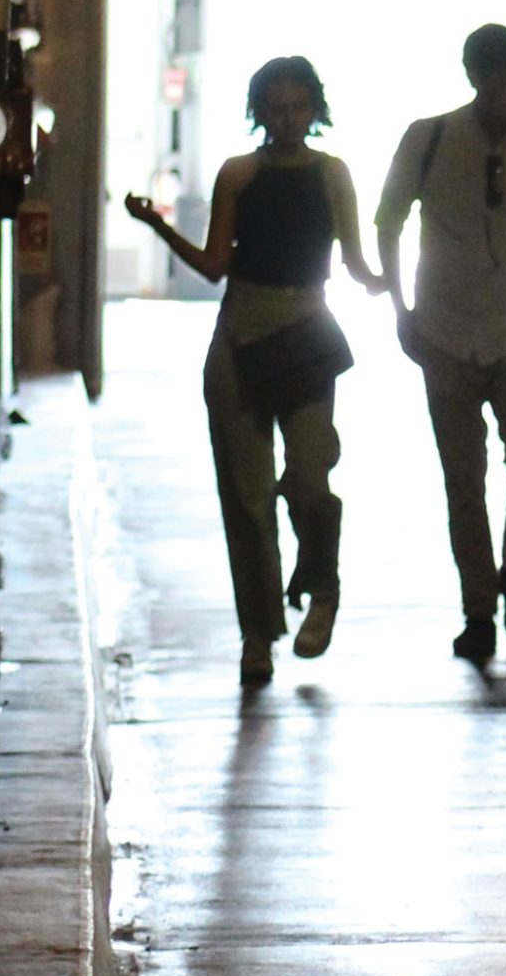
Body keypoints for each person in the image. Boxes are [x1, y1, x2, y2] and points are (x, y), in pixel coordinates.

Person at [125, 55, 383, 689]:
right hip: (241, 331)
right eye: (277, 106)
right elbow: (216, 264)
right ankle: (258, 634)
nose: (288, 119)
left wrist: (401, 290)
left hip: (305, 331)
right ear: (259, 110)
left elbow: (355, 262)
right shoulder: (238, 174)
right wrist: (156, 225)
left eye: (298, 106)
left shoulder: (333, 174)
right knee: (246, 497)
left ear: (315, 110)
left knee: (307, 479)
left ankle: (322, 581)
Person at [376, 24, 506, 663]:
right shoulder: (430, 138)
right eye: (498, 78)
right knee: (462, 477)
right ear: (473, 77)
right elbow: (389, 220)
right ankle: (479, 607)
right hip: (444, 327)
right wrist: (400, 308)